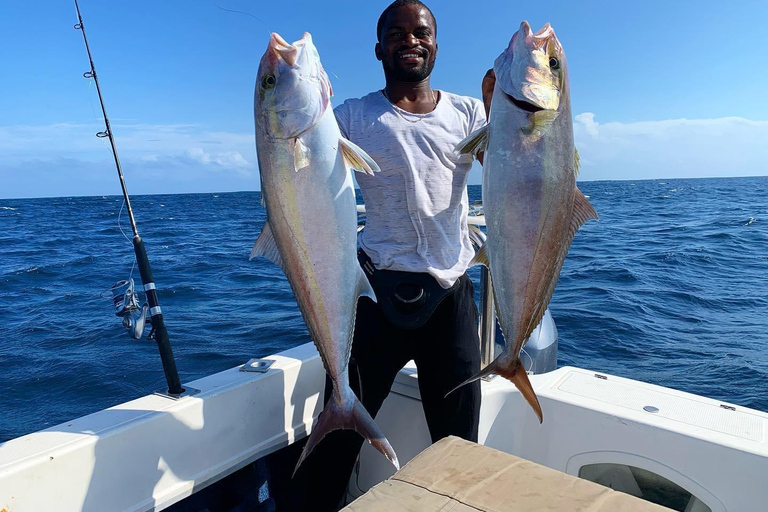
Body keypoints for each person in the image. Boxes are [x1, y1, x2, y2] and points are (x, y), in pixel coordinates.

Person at [291, 2, 494, 510]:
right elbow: (300, 159)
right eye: (397, 33)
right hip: (372, 292)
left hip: (450, 295)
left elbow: (512, 164)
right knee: (335, 439)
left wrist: (507, 114)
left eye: (421, 32)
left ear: (436, 44)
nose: (411, 40)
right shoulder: (352, 116)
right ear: (379, 48)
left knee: (459, 442)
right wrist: (308, 99)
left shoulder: (470, 112)